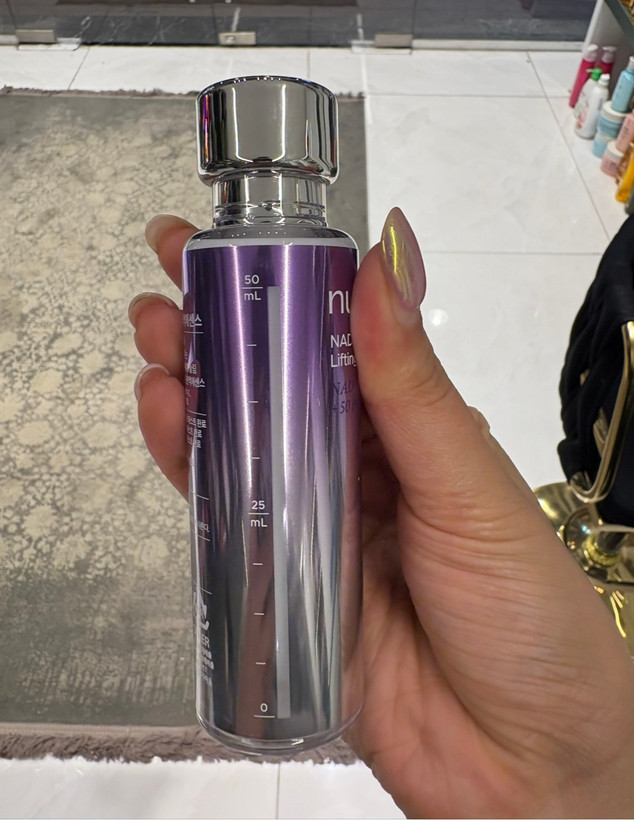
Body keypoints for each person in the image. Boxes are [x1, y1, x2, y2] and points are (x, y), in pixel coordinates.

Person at [129, 209, 634, 818]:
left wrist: (591, 771)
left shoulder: (317, 254)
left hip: (360, 626)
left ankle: (295, 686)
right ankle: (267, 689)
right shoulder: (239, 255)